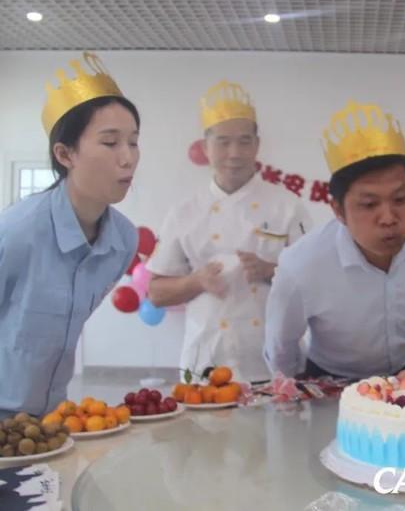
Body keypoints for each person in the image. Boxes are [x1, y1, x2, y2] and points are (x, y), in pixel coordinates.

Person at [264, 100, 405, 379]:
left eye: (400, 199)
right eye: (369, 204)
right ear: (338, 210)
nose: (388, 218)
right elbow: (281, 347)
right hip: (334, 377)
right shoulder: (301, 265)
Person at [0, 52, 140, 417]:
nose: (127, 158)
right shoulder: (16, 232)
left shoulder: (124, 240)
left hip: (51, 417)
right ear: (65, 154)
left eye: (133, 142)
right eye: (110, 143)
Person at [147, 80, 310, 383]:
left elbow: (313, 283)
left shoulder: (288, 207)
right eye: (223, 142)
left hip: (273, 363)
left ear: (257, 145)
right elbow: (155, 293)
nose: (234, 153)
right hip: (204, 362)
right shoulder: (183, 213)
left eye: (244, 141)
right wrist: (196, 280)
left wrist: (269, 270)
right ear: (205, 148)